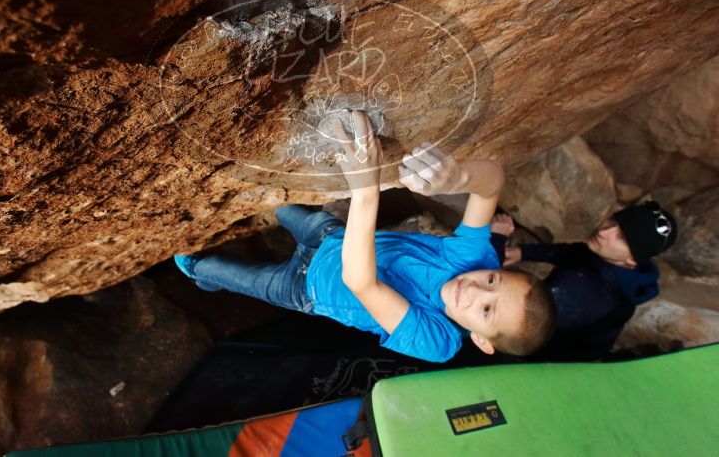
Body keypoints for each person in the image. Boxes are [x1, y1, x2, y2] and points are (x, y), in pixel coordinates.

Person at [174, 111, 555, 363]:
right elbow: (492, 185)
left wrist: (366, 191)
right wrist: (460, 179)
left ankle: (201, 275)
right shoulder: (474, 260)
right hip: (332, 236)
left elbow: (361, 282)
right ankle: (245, 223)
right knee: (277, 199)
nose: (475, 290)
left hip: (308, 288)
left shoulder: (437, 341)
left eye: (486, 311)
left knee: (225, 272)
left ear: (481, 341)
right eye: (493, 281)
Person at [489, 202, 677, 360]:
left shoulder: (585, 292)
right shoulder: (620, 266)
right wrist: (523, 252)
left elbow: (511, 317)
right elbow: (574, 252)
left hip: (534, 361)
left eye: (621, 238)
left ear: (632, 260)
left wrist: (497, 240)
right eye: (613, 220)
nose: (604, 232)